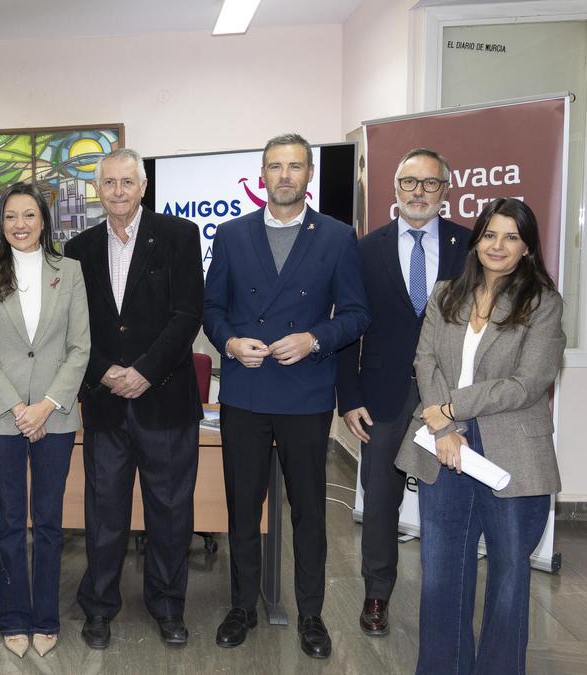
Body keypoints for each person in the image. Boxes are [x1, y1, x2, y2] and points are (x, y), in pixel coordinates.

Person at [202, 133, 369, 659]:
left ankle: (313, 615)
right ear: (262, 174)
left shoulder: (339, 236)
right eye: (275, 166)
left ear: (309, 174)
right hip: (247, 391)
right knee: (242, 506)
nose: (285, 176)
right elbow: (212, 309)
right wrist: (229, 341)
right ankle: (242, 606)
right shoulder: (231, 235)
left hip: (306, 393)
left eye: (295, 167)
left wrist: (315, 338)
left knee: (308, 512)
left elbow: (359, 315)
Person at [398, 197, 564, 674]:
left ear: (527, 249)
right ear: (476, 240)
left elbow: (528, 384)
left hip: (511, 455)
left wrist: (452, 407)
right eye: (490, 233)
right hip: (444, 448)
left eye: (512, 237)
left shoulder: (542, 304)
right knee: (441, 577)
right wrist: (443, 425)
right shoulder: (447, 293)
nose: (498, 245)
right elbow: (424, 360)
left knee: (510, 579)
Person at [62, 148, 204, 649]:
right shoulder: (75, 249)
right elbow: (73, 327)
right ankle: (98, 607)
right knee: (104, 512)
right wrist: (107, 371)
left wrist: (143, 371)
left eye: (127, 182)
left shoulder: (179, 236)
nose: (118, 191)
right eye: (109, 183)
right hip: (105, 403)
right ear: (97, 190)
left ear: (143, 187)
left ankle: (167, 605)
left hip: (164, 400)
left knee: (169, 512)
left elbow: (188, 315)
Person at [335, 149, 471, 636]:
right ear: (395, 190)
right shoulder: (365, 248)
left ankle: (446, 595)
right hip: (382, 397)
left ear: (445, 191)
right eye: (409, 182)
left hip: (451, 400)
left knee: (451, 500)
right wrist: (348, 397)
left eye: (429, 184)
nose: (418, 192)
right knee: (379, 503)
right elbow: (349, 325)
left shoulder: (469, 245)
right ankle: (376, 594)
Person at [0, 183, 90, 658]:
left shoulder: (70, 272)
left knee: (52, 522)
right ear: (1, 223)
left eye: (29, 216)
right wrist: (19, 408)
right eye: (11, 216)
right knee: (11, 521)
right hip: (1, 418)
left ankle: (46, 617)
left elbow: (80, 346)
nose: (20, 224)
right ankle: (14, 616)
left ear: (44, 221)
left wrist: (47, 405)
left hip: (54, 418)